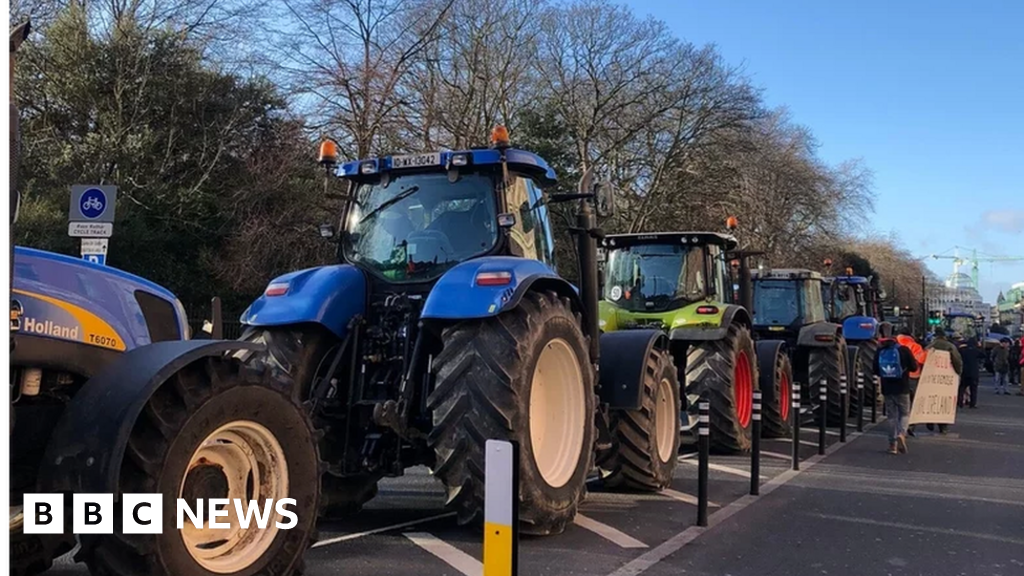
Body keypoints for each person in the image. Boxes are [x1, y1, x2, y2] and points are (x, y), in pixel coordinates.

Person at [874, 335, 919, 454]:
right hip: (903, 387)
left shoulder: (880, 351)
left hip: (887, 389)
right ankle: (901, 434)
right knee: (904, 414)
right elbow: (914, 368)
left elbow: (875, 370)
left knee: (891, 416)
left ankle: (892, 445)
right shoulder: (904, 350)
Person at [924, 328, 963, 434]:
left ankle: (929, 420)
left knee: (932, 400)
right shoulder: (950, 346)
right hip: (946, 378)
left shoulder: (930, 346)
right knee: (944, 402)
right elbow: (957, 361)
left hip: (931, 377)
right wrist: (958, 373)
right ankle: (943, 426)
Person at [895, 328, 928, 436]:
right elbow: (921, 360)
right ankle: (908, 425)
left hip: (894, 376)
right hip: (912, 377)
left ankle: (898, 425)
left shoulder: (894, 344)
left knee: (897, 403)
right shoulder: (914, 346)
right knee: (912, 403)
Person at [958, 338, 983, 409]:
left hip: (965, 371)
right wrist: (980, 347)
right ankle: (972, 403)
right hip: (974, 372)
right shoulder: (976, 351)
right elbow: (983, 355)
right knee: (973, 389)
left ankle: (960, 402)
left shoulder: (963, 350)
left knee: (962, 388)